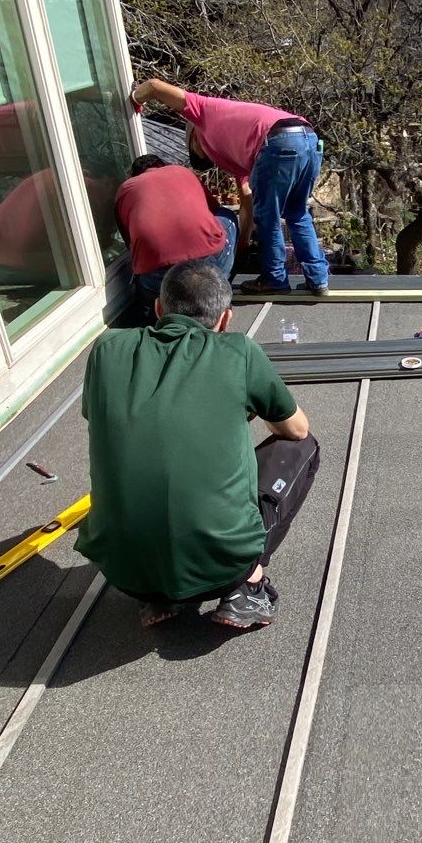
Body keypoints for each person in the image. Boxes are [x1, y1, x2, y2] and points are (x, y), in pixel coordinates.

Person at [77, 259, 319, 633]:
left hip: (124, 572)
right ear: (225, 319)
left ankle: (159, 595)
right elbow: (296, 429)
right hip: (222, 568)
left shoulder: (107, 349)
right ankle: (248, 585)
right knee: (303, 449)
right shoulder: (238, 352)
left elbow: (113, 422)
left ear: (159, 310)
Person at [130, 78, 329, 296]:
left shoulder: (201, 110)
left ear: (193, 135)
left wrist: (134, 99)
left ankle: (274, 279)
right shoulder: (232, 147)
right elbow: (247, 199)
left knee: (269, 216)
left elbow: (155, 86)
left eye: (197, 153)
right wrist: (241, 245)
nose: (206, 157)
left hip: (277, 142)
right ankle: (318, 280)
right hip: (308, 139)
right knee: (297, 213)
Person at [114, 154, 236, 317]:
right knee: (226, 214)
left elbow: (130, 244)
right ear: (163, 165)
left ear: (134, 175)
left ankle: (158, 309)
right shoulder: (181, 171)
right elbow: (212, 208)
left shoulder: (125, 189)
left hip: (156, 278)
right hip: (207, 263)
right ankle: (221, 283)